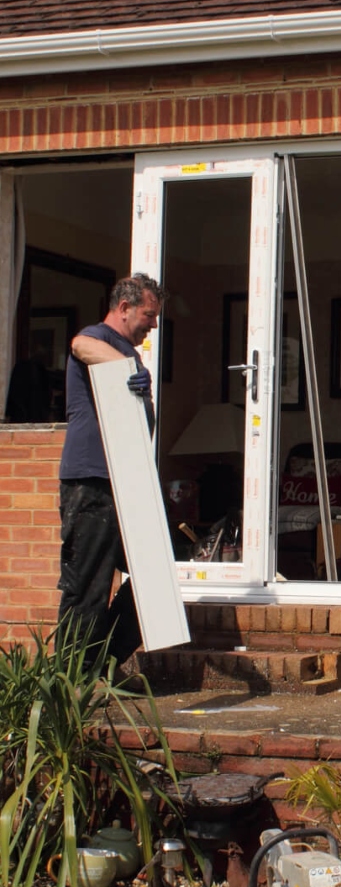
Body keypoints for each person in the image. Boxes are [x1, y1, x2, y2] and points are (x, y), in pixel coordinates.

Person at [57, 272, 165, 668]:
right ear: (124, 307)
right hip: (91, 482)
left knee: (156, 578)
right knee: (88, 583)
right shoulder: (97, 338)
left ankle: (102, 663)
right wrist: (124, 367)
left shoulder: (129, 351)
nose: (153, 324)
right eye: (148, 315)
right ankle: (72, 683)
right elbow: (79, 344)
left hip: (125, 481)